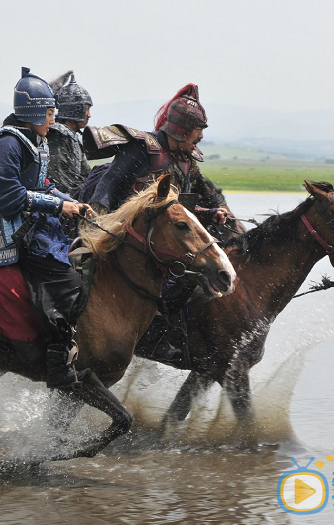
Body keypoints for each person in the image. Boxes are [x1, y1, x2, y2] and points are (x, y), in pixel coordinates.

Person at [82, 84, 245, 367]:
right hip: (126, 232)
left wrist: (209, 213)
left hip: (161, 237)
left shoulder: (186, 162)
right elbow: (108, 184)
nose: (201, 137)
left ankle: (166, 337)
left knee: (196, 275)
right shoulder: (143, 148)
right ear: (182, 130)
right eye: (198, 130)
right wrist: (98, 217)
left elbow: (179, 210)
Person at [0, 67, 94, 389]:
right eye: (49, 112)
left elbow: (44, 184)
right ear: (34, 111)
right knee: (69, 286)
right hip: (21, 232)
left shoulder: (37, 140)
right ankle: (58, 364)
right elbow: (6, 197)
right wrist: (60, 206)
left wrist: (71, 201)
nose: (53, 118)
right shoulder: (8, 144)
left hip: (43, 227)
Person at [46, 73, 93, 197]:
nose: (89, 115)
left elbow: (86, 174)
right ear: (76, 109)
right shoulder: (57, 136)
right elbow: (59, 180)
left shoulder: (72, 137)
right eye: (87, 109)